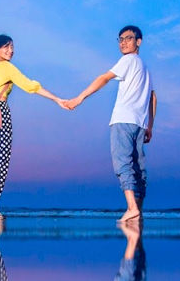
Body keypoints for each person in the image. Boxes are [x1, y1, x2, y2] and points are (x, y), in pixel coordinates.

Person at [64, 25, 157, 222]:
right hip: (139, 124)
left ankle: (132, 208)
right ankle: (137, 212)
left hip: (123, 120)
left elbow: (104, 78)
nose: (123, 42)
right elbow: (153, 97)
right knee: (138, 167)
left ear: (138, 42)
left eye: (128, 38)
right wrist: (149, 126)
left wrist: (79, 98)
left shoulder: (128, 60)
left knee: (122, 163)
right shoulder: (144, 67)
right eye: (120, 39)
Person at [0, 34, 68, 221]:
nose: (11, 50)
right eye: (6, 47)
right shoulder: (6, 67)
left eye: (12, 47)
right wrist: (56, 98)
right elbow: (30, 86)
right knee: (0, 161)